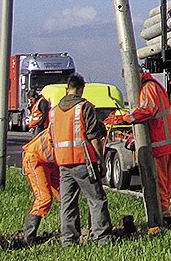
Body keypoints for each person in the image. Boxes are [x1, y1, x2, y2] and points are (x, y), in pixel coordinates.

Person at [104, 71, 171, 227]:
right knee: (162, 185)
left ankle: (161, 221)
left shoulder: (148, 88)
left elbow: (146, 111)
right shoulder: (152, 86)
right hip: (163, 144)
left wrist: (122, 118)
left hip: (158, 145)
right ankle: (162, 218)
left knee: (159, 185)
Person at [49, 73, 114, 247]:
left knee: (67, 203)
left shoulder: (54, 111)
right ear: (81, 89)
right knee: (96, 200)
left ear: (67, 88)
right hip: (83, 161)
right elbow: (94, 137)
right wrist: (100, 160)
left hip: (63, 163)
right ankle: (102, 238)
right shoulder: (84, 107)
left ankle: (68, 240)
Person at [21, 128, 59, 245]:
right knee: (44, 198)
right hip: (35, 159)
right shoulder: (66, 130)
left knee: (66, 196)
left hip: (50, 162)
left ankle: (71, 232)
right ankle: (29, 237)